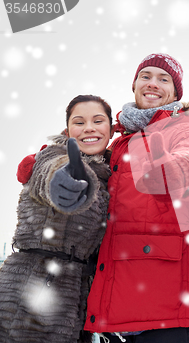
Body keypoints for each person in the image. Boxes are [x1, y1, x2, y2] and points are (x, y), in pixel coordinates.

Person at [84, 53, 189, 343]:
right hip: (117, 307)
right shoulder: (118, 140)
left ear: (175, 92)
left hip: (164, 307)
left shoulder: (184, 126)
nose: (153, 83)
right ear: (134, 85)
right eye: (146, 76)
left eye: (163, 78)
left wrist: (168, 169)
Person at [0, 95, 114, 343]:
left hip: (76, 295)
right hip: (34, 287)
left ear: (111, 129)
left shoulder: (108, 175)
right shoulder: (52, 157)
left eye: (97, 120)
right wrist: (68, 182)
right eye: (79, 122)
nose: (89, 128)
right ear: (68, 130)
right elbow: (50, 177)